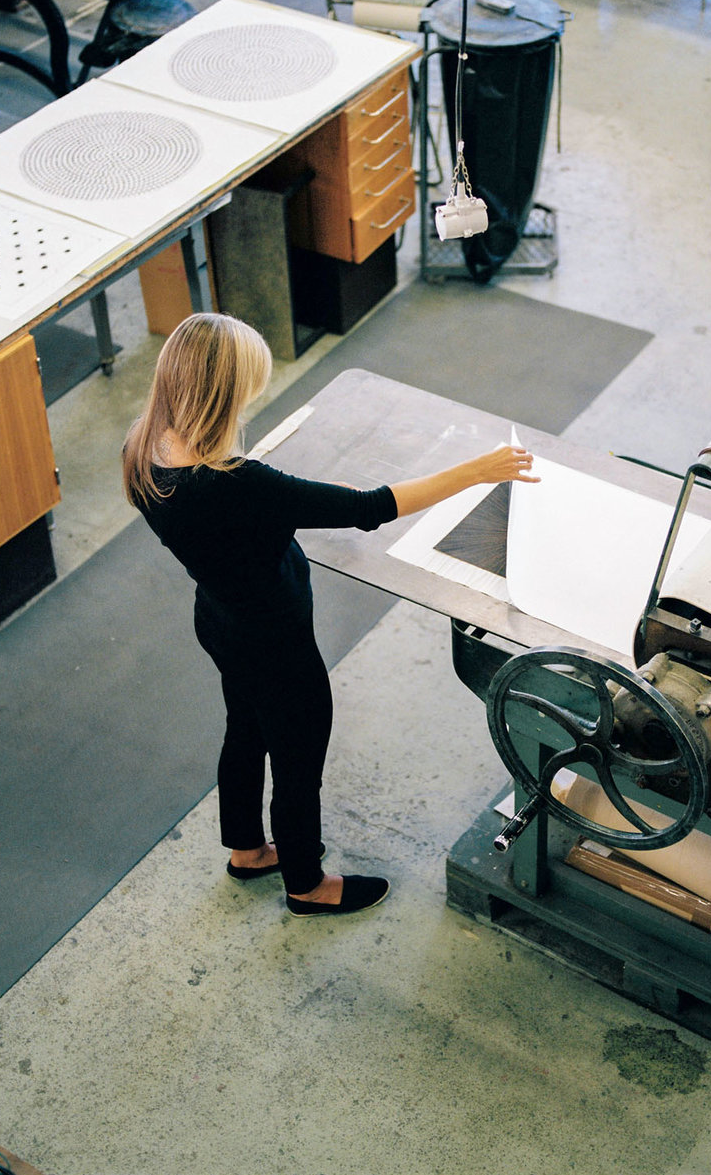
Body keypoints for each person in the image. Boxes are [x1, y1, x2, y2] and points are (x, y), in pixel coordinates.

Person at [122, 312, 539, 918]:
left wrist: (293, 500)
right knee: (297, 760)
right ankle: (306, 883)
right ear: (221, 395)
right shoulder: (239, 484)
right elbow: (374, 507)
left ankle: (245, 849)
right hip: (275, 640)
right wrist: (480, 470)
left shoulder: (143, 446)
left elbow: (240, 520)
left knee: (245, 730)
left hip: (219, 620)